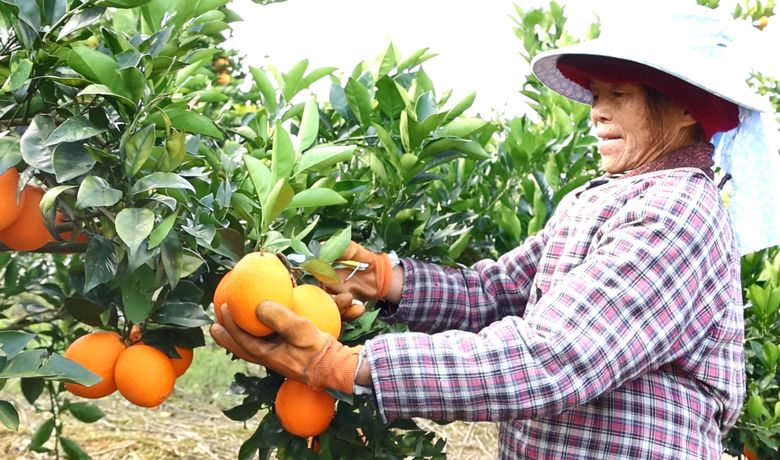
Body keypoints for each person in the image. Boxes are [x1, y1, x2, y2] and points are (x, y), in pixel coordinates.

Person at [210, 5, 780, 459]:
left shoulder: (677, 213)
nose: (597, 113)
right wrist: (383, 278)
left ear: (685, 110)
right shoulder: (602, 198)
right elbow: (495, 294)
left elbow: (552, 358)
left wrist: (349, 366)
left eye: (619, 95)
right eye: (598, 94)